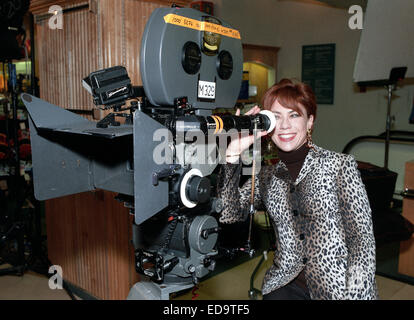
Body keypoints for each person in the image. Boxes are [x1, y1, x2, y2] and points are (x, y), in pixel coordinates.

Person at [217, 79, 379, 300]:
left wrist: (356, 292)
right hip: (286, 284)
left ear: (310, 121)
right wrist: (232, 153)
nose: (284, 125)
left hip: (339, 290)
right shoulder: (266, 176)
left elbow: (362, 241)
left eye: (294, 115)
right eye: (276, 117)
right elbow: (228, 214)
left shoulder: (339, 166)